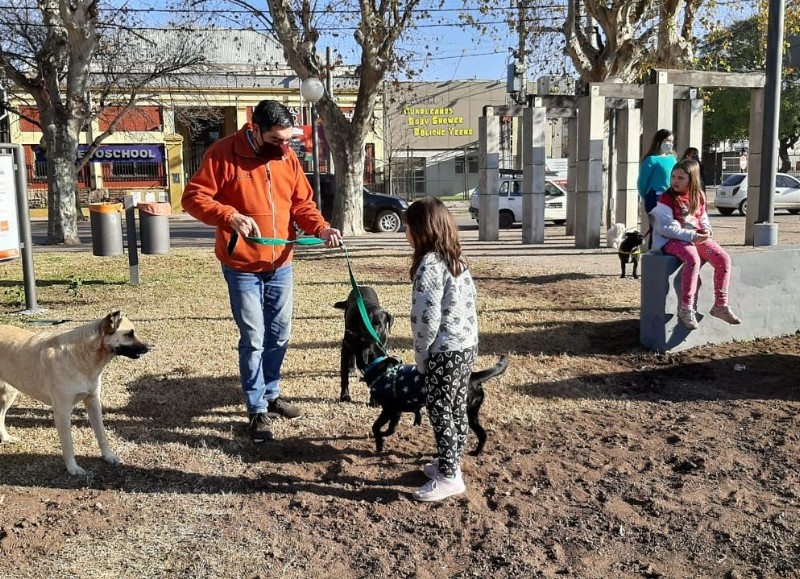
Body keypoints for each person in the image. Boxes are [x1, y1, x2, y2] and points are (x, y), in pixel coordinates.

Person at [182, 100, 343, 442]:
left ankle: (271, 394)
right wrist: (230, 216)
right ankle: (257, 410)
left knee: (280, 334)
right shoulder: (223, 153)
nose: (284, 147)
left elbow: (301, 204)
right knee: (254, 338)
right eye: (276, 140)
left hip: (281, 263)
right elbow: (193, 197)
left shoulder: (287, 157)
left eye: (288, 140)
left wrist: (321, 229)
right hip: (242, 265)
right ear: (255, 130)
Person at [404, 197, 479, 502]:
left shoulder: (429, 265)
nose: (405, 233)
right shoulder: (456, 259)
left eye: (408, 227)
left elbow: (426, 319)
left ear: (422, 230)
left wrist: (421, 357)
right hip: (465, 347)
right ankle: (450, 463)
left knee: (440, 412)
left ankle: (450, 477)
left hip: (443, 353)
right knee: (457, 407)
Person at [651, 159, 742, 330]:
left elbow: (703, 217)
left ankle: (720, 305)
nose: (675, 181)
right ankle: (686, 308)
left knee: (723, 259)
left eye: (681, 178)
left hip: (694, 237)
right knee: (692, 258)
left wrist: (706, 230)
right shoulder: (666, 198)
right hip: (671, 240)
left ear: (692, 179)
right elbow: (665, 228)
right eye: (673, 177)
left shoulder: (698, 195)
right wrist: (692, 236)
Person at [638, 129, 677, 214]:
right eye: (667, 141)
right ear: (659, 141)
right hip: (655, 197)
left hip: (671, 196)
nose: (670, 144)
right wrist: (646, 196)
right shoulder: (651, 160)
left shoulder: (672, 159)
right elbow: (642, 181)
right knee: (656, 226)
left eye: (672, 141)